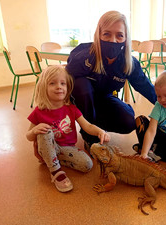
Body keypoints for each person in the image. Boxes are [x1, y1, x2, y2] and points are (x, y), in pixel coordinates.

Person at [65, 11, 156, 150]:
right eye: (107, 34)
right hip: (81, 101)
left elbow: (145, 86)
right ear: (98, 35)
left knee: (128, 121)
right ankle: (89, 136)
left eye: (119, 35)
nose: (113, 40)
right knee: (82, 86)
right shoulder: (83, 57)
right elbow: (62, 83)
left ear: (126, 38)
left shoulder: (129, 63)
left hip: (104, 98)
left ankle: (97, 125)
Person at [26, 65, 110, 193]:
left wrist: (100, 131)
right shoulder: (39, 111)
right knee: (45, 131)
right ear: (44, 88)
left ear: (67, 87)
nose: (59, 86)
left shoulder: (71, 109)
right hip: (47, 145)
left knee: (87, 165)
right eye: (52, 83)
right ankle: (55, 170)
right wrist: (34, 130)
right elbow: (28, 136)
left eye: (63, 83)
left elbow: (87, 126)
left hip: (67, 148)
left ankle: (53, 159)